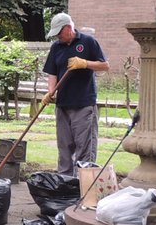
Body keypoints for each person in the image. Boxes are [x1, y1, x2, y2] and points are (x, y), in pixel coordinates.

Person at [42, 13, 109, 176]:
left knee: (85, 149)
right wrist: (50, 91)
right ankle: (65, 185)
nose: (57, 36)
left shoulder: (88, 42)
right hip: (63, 105)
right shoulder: (56, 47)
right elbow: (52, 72)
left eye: (59, 32)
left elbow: (105, 65)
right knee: (64, 148)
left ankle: (84, 186)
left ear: (68, 28)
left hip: (84, 104)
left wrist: (85, 63)